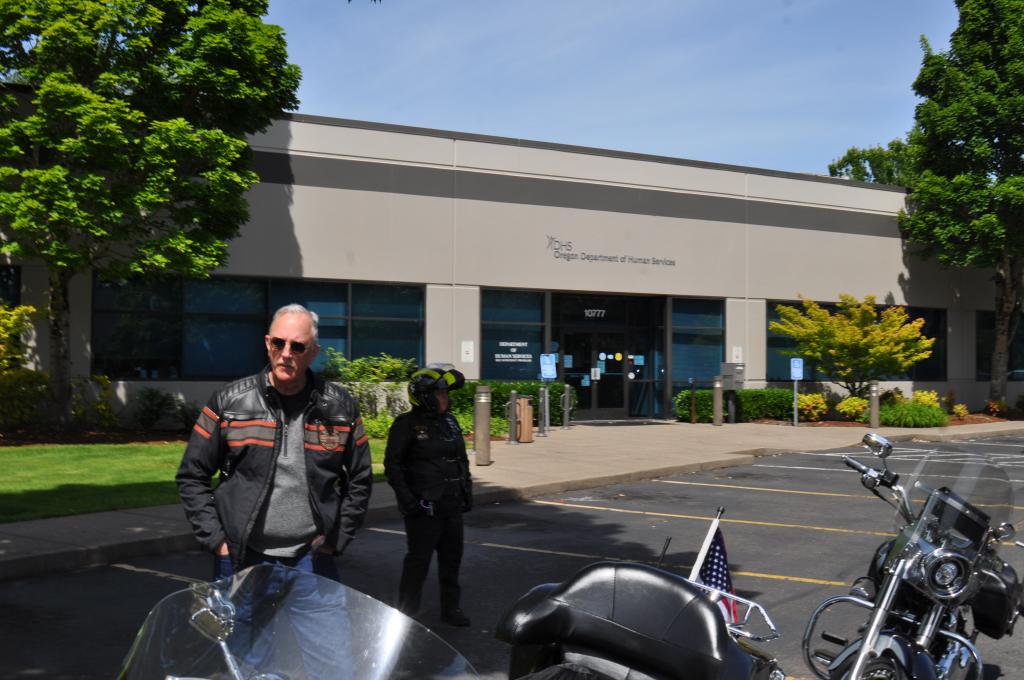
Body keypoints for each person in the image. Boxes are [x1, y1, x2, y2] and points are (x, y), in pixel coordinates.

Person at [177, 303, 372, 582]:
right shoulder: (229, 402)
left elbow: (360, 479)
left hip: (312, 558)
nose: (286, 353)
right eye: (279, 343)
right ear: (268, 343)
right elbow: (191, 475)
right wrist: (217, 542)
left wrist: (336, 540)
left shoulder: (340, 408)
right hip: (240, 557)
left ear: (314, 352)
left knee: (328, 614)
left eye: (298, 347)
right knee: (238, 615)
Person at [384, 364, 473, 626]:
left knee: (452, 560)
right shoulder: (406, 424)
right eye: (440, 394)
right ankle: (406, 614)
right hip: (424, 508)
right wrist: (409, 501)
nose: (445, 398)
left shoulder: (449, 422)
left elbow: (461, 459)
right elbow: (393, 466)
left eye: (445, 393)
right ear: (423, 396)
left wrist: (466, 490)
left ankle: (451, 609)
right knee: (418, 563)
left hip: (451, 504)